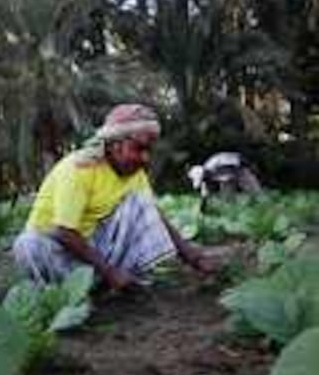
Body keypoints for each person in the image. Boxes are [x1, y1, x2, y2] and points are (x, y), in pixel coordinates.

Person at [13, 104, 214, 290]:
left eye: (149, 150)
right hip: (59, 251)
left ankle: (108, 282)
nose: (146, 158)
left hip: (93, 250)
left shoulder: (134, 172)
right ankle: (71, 292)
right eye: (139, 149)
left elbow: (154, 215)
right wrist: (110, 272)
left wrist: (191, 256)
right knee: (28, 243)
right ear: (115, 146)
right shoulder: (79, 169)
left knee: (142, 202)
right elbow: (64, 232)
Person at [188, 152, 263, 202]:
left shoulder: (216, 163)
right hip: (227, 179)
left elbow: (238, 160)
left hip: (239, 170)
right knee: (227, 197)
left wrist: (251, 168)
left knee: (256, 193)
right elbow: (205, 194)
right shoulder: (206, 178)